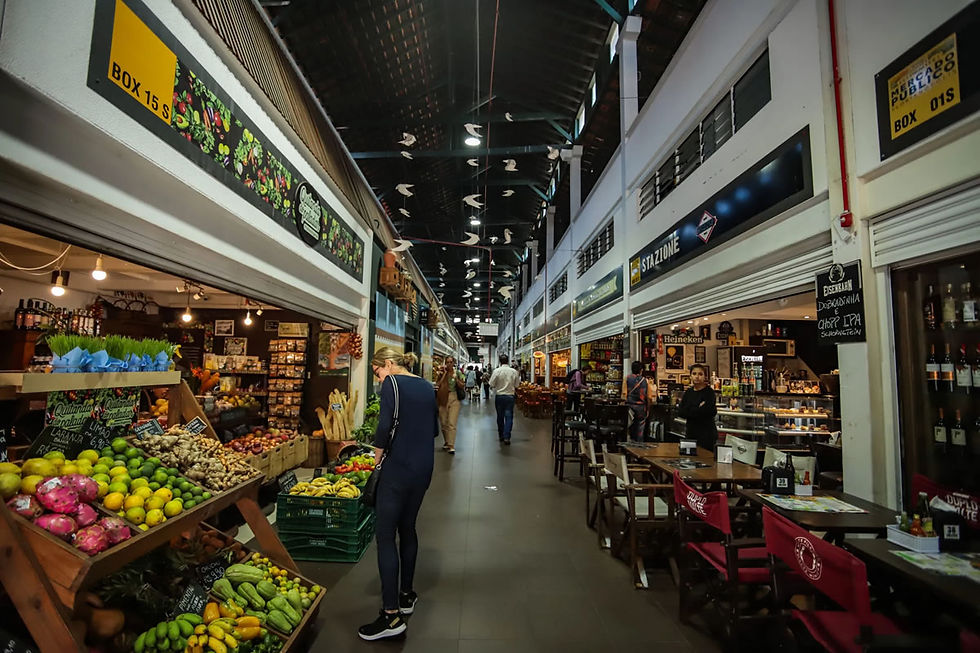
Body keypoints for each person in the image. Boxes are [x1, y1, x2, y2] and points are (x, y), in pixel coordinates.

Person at [358, 348, 438, 641]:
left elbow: (383, 428)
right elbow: (433, 431)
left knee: (385, 536)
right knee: (408, 528)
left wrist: (377, 461)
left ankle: (391, 617)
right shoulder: (427, 386)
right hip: (423, 469)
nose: (378, 377)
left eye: (377, 371)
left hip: (397, 469)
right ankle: (406, 595)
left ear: (388, 365)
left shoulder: (391, 384)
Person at [676, 363, 718, 452]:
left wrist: (690, 410)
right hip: (690, 433)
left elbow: (709, 411)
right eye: (694, 374)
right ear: (690, 376)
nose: (697, 377)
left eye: (700, 374)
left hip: (706, 434)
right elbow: (681, 412)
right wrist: (698, 408)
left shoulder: (709, 393)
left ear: (705, 376)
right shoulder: (688, 392)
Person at [488, 353, 520, 444]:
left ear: (500, 361)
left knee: (500, 416)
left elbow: (491, 384)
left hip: (500, 396)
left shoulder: (496, 371)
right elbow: (517, 385)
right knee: (509, 416)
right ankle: (507, 437)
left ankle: (501, 435)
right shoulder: (514, 371)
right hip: (510, 396)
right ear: (508, 360)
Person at [435, 357, 465, 454]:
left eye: (451, 362)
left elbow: (462, 385)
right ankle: (447, 441)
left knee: (452, 423)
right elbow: (437, 384)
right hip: (442, 397)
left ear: (454, 363)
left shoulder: (458, 373)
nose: (449, 364)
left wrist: (456, 378)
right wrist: (443, 374)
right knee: (443, 423)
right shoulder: (441, 372)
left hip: (454, 397)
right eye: (447, 362)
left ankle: (451, 445)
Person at [622, 361, 655, 441]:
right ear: (641, 370)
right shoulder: (645, 381)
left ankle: (629, 446)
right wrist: (648, 408)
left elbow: (624, 394)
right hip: (641, 408)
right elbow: (649, 397)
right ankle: (639, 446)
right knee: (640, 429)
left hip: (629, 408)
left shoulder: (627, 378)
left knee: (629, 428)